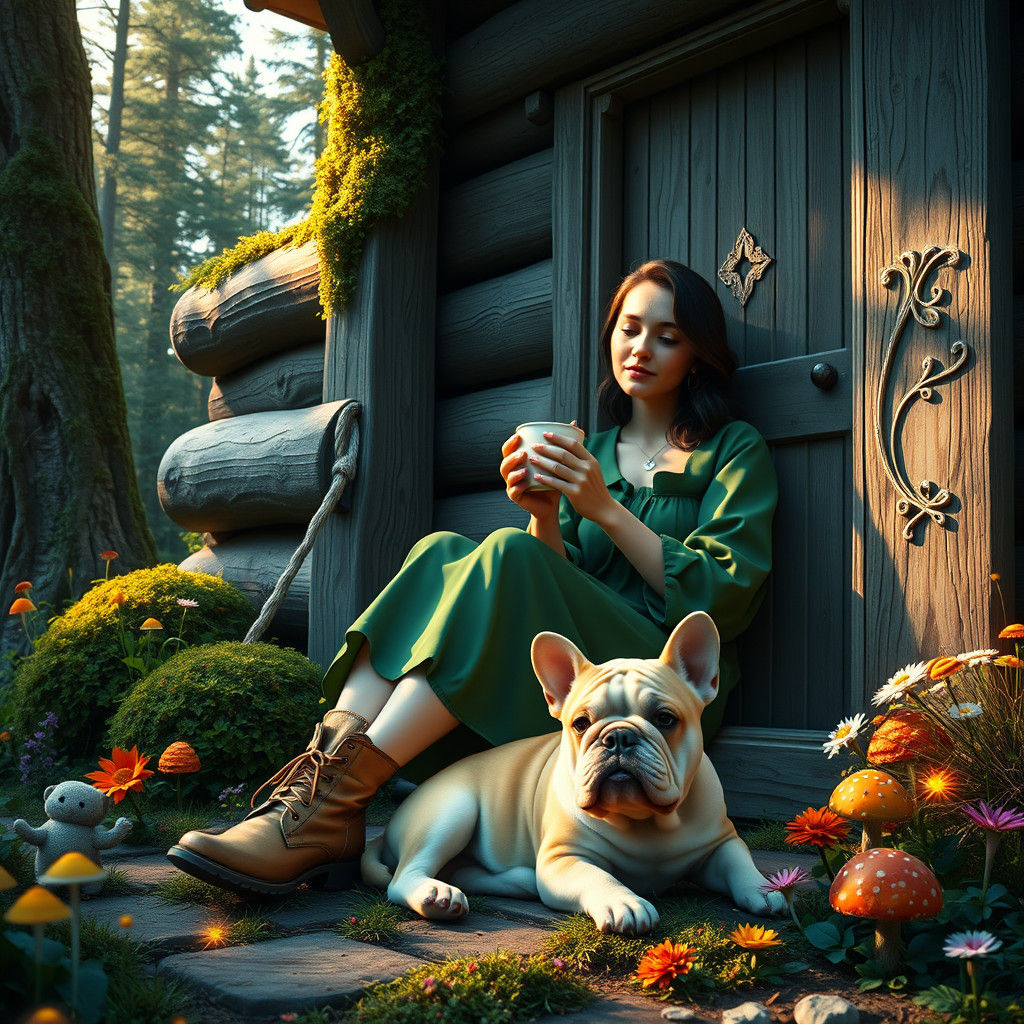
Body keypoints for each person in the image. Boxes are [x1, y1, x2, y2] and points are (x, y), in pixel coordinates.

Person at [168, 258, 778, 897]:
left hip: (664, 693)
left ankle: (329, 810)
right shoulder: (591, 451)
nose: (641, 348)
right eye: (628, 329)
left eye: (668, 336)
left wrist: (601, 507)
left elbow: (722, 597)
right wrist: (544, 514)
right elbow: (551, 582)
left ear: (698, 354)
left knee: (507, 555)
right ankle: (326, 787)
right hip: (582, 694)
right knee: (439, 549)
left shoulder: (732, 449)